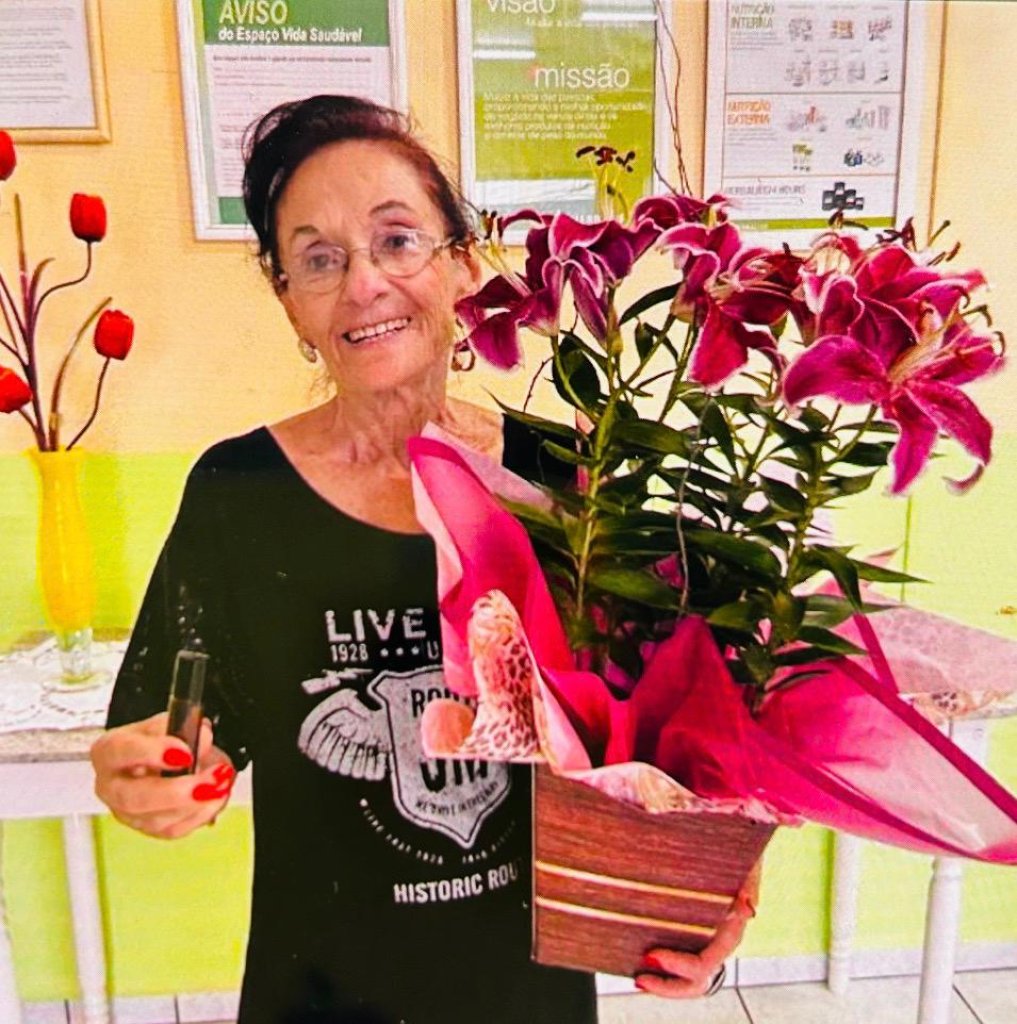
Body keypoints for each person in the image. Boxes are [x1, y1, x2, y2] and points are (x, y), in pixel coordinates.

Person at [90, 94, 757, 1024]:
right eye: (318, 258)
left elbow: (673, 736)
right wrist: (152, 779)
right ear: (289, 303)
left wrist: (718, 900)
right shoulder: (239, 494)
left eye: (396, 240)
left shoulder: (565, 476)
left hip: (527, 993)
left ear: (463, 267)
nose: (362, 282)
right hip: (318, 995)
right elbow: (175, 726)